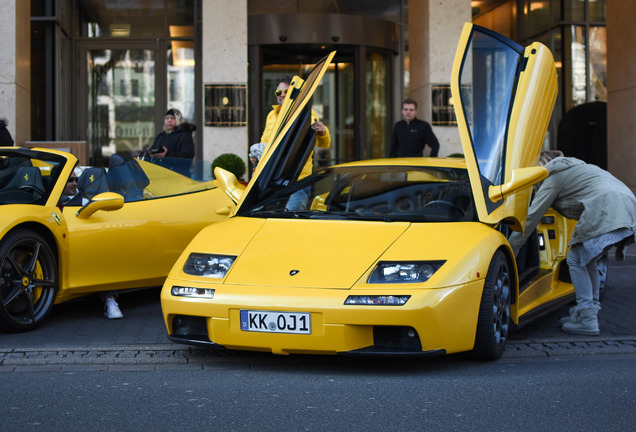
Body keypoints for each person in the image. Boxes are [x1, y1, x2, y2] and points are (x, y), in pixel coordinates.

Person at [509, 150, 636, 335]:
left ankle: (588, 320)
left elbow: (531, 218)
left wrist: (510, 248)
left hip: (608, 209)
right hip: (627, 206)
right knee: (587, 261)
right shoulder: (577, 168)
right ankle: (584, 313)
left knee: (575, 261)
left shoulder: (553, 178)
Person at [253, 76, 331, 180]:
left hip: (297, 179)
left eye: (287, 91)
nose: (283, 95)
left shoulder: (306, 114)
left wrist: (322, 131)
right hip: (273, 177)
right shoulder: (271, 115)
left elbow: (324, 144)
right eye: (278, 92)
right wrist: (255, 156)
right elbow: (264, 141)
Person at [147, 108, 195, 176]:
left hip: (179, 177)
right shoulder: (161, 136)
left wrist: (167, 154)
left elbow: (188, 157)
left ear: (178, 120)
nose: (169, 120)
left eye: (172, 118)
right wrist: (150, 154)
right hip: (160, 175)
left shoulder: (185, 136)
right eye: (167, 118)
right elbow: (153, 150)